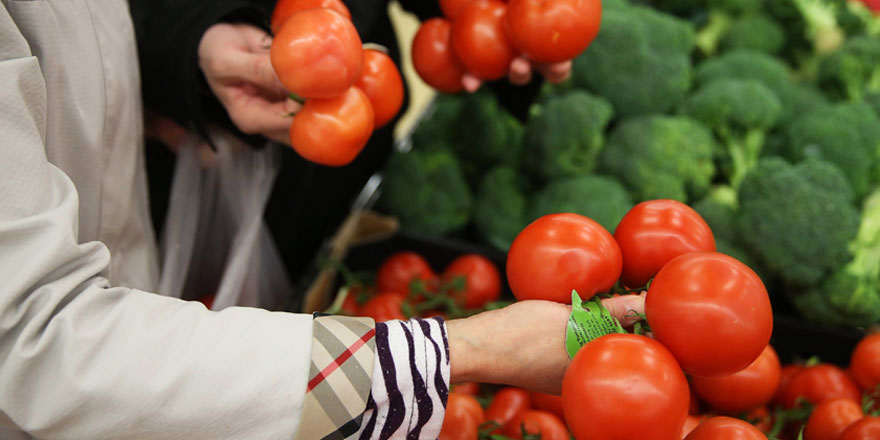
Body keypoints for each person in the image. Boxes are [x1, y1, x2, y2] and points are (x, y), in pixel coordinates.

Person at [0, 1, 637, 439]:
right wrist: (466, 351)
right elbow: (38, 339)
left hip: (139, 284)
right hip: (79, 367)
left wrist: (191, 52)